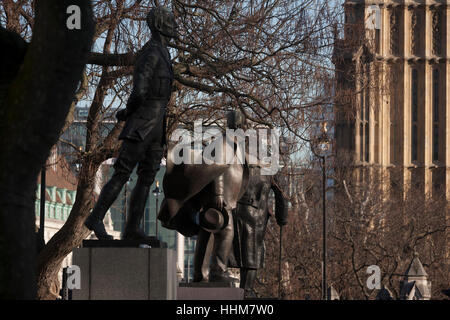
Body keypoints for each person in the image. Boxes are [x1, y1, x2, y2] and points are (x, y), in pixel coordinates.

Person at [84, 6, 177, 241]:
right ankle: (95, 217)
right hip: (143, 122)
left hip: (157, 125)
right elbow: (139, 91)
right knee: (123, 172)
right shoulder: (151, 53)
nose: (173, 25)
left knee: (147, 177)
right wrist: (127, 112)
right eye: (168, 21)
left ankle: (133, 228)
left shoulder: (164, 54)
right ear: (158, 25)